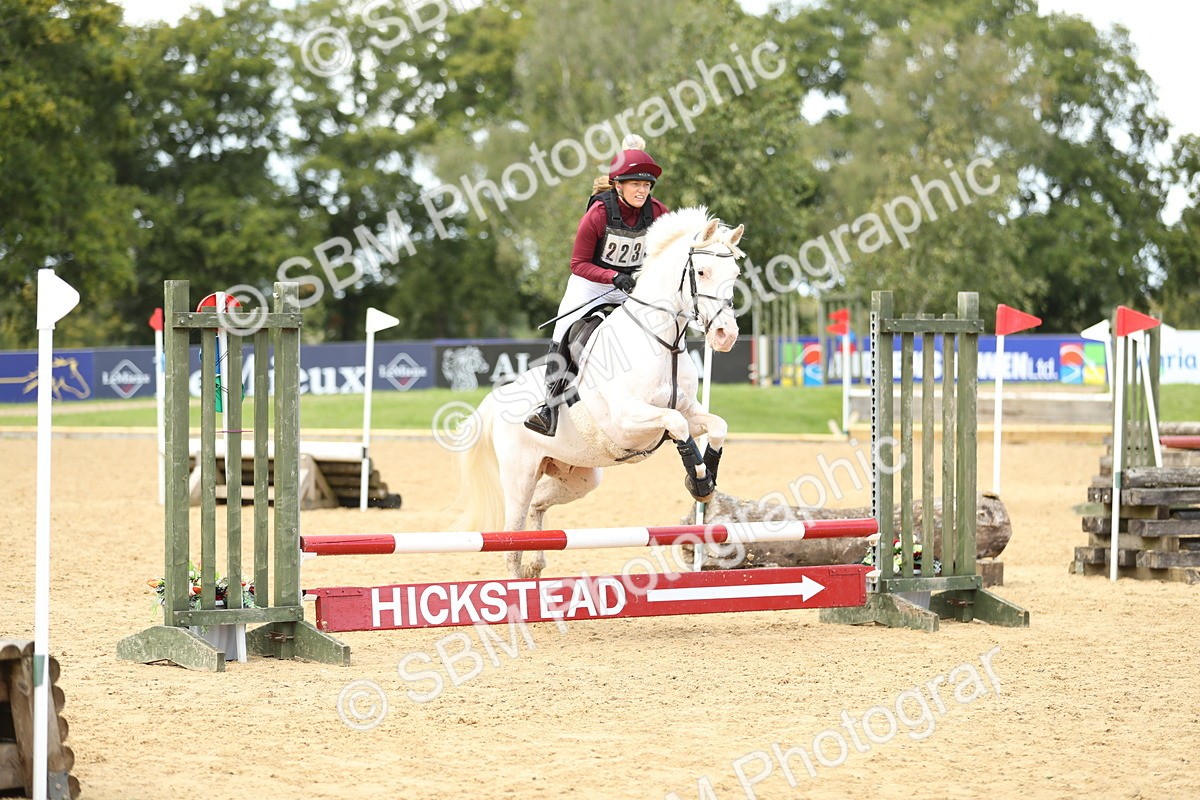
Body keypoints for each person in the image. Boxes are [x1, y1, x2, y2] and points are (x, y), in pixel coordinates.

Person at [524, 134, 671, 436]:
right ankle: (549, 408)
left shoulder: (658, 212)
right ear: (618, 186)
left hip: (633, 286)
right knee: (563, 329)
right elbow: (578, 264)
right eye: (635, 184)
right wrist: (612, 277)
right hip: (591, 283)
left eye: (646, 185)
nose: (642, 191)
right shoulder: (598, 214)